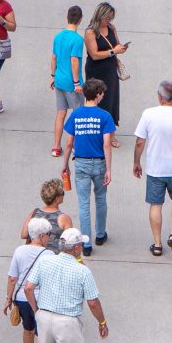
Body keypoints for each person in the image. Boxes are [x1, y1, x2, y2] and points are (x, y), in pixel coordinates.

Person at [132, 81, 172, 257]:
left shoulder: (149, 114)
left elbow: (140, 142)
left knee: (156, 204)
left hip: (155, 169)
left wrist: (136, 162)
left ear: (160, 97)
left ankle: (157, 244)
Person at [62, 79, 116, 246]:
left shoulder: (76, 115)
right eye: (102, 94)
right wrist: (108, 169)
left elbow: (69, 143)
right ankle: (100, 234)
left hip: (81, 163)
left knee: (83, 203)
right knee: (101, 199)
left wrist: (64, 165)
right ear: (98, 94)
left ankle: (86, 243)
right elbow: (107, 143)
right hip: (99, 163)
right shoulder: (105, 116)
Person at [10, 218, 60, 343]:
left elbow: (12, 278)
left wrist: (8, 299)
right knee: (41, 337)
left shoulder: (19, 251)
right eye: (48, 235)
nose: (49, 238)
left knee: (27, 329)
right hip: (41, 300)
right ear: (41, 236)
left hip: (22, 299)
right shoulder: (49, 255)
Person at [50, 7, 88, 156]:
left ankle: (56, 147)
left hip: (59, 79)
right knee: (78, 114)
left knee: (61, 113)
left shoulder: (58, 36)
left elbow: (54, 57)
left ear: (67, 17)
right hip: (71, 84)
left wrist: (53, 76)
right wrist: (77, 82)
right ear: (80, 19)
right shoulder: (78, 39)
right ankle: (74, 146)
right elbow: (74, 61)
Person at [83, 3, 127, 119]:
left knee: (111, 100)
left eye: (111, 18)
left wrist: (121, 48)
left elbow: (116, 45)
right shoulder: (90, 32)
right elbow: (94, 55)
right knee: (96, 99)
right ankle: (96, 130)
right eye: (107, 18)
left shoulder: (111, 28)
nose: (109, 20)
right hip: (96, 72)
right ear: (100, 16)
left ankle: (110, 132)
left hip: (110, 70)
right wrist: (113, 51)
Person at [24, 178, 76, 246]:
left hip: (35, 254)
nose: (63, 195)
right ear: (56, 199)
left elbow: (24, 235)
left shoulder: (35, 212)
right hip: (54, 255)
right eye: (62, 193)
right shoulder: (64, 218)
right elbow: (69, 243)